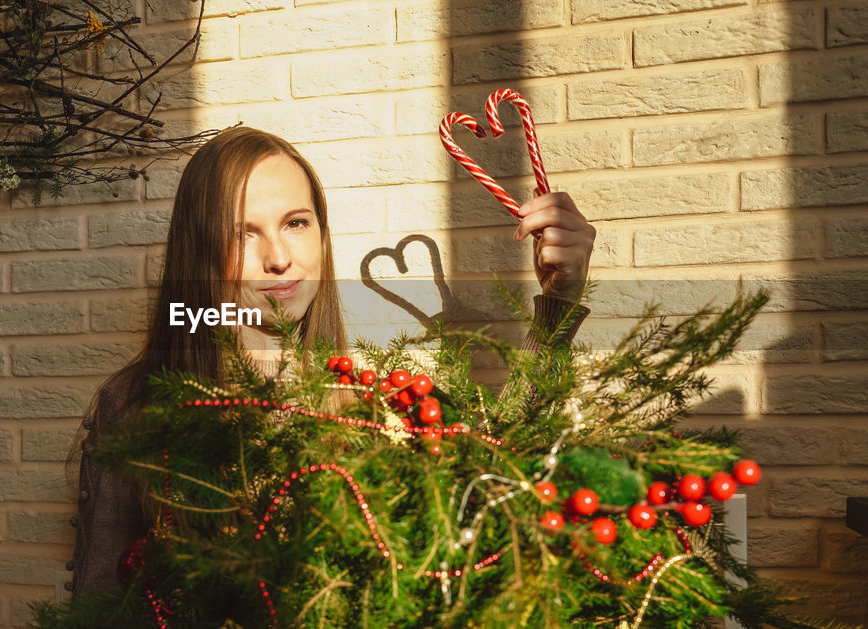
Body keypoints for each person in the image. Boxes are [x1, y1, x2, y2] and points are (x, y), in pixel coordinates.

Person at [67, 126, 596, 596]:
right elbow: (94, 604)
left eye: (295, 223)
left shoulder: (372, 399)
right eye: (240, 233)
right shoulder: (135, 406)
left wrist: (557, 306)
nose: (278, 258)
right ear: (196, 250)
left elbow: (504, 480)